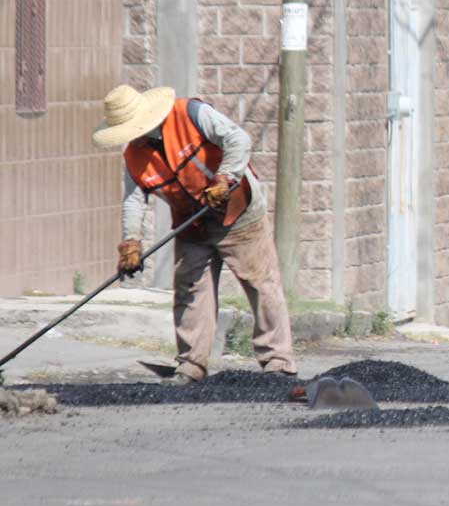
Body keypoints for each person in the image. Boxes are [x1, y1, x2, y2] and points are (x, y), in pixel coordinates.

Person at [92, 85, 296, 385]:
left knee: (261, 283)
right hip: (191, 223)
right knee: (190, 290)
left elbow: (238, 139)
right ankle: (191, 366)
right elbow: (134, 200)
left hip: (237, 212)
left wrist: (225, 177)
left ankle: (278, 363)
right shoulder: (134, 155)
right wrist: (131, 243)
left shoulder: (191, 114)